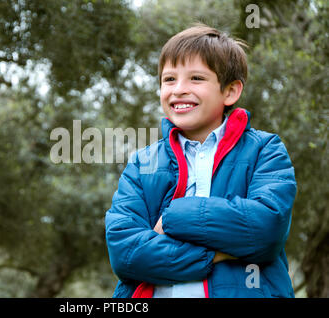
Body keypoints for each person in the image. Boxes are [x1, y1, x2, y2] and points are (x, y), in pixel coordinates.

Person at [105, 23, 297, 298]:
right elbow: (126, 255)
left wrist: (173, 216)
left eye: (196, 78)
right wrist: (218, 253)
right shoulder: (142, 164)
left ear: (230, 91)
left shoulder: (265, 151)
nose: (179, 89)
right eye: (169, 79)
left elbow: (265, 229)